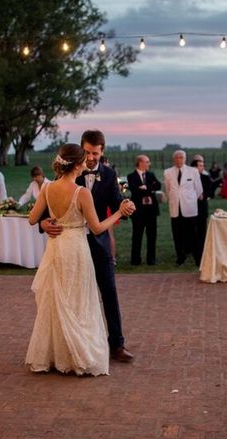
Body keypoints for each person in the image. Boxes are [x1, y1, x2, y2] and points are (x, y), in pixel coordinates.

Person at [26, 144, 135, 376]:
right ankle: (78, 354)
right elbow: (96, 228)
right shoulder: (81, 193)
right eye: (85, 158)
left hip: (56, 249)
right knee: (79, 300)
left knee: (58, 299)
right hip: (76, 249)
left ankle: (57, 355)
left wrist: (47, 221)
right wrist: (118, 214)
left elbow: (32, 217)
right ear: (77, 164)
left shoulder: (46, 188)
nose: (88, 160)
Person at [163, 150, 203, 266]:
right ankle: (180, 257)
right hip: (175, 208)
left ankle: (197, 259)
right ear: (173, 159)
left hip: (189, 208)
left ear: (185, 159)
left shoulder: (193, 171)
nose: (178, 159)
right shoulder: (168, 172)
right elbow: (167, 188)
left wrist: (189, 199)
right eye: (176, 158)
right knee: (177, 235)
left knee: (193, 235)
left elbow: (199, 189)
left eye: (181, 157)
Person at [127, 154, 161, 265]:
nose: (148, 164)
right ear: (140, 163)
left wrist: (146, 187)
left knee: (152, 236)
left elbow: (159, 186)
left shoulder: (151, 175)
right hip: (138, 212)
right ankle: (135, 260)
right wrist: (149, 189)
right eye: (147, 162)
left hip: (151, 211)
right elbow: (134, 191)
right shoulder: (131, 176)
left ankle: (151, 260)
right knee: (137, 236)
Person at [191, 155, 213, 261]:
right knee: (192, 231)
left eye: (203, 166)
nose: (202, 168)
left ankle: (202, 252)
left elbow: (210, 190)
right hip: (190, 209)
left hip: (202, 207)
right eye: (200, 166)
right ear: (194, 167)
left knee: (202, 231)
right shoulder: (188, 178)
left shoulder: (205, 177)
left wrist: (203, 195)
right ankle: (193, 251)